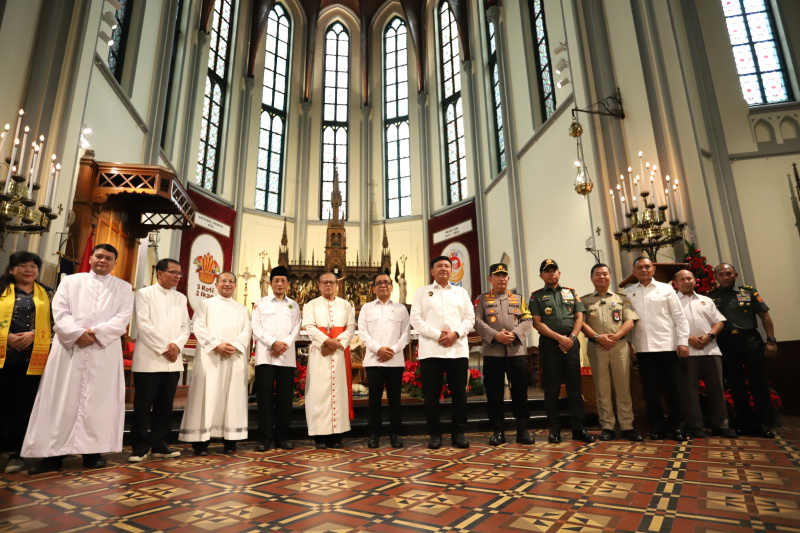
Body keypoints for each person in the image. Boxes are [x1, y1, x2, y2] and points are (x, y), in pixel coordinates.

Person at [23, 244, 134, 475]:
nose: (103, 261)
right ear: (91, 258)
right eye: (99, 256)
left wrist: (93, 333)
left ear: (115, 262)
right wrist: (77, 334)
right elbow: (60, 312)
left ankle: (93, 453)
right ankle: (52, 454)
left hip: (103, 351)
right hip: (69, 349)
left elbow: (122, 318)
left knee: (98, 402)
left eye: (108, 258)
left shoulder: (123, 287)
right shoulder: (70, 281)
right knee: (60, 400)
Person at [179, 272, 251, 455]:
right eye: (223, 281)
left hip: (234, 357)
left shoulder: (242, 309)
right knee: (206, 395)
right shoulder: (205, 305)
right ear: (216, 284)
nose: (227, 284)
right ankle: (201, 441)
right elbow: (199, 326)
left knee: (232, 396)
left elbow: (247, 331)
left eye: (231, 281)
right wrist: (216, 345)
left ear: (235, 285)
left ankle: (230, 439)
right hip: (210, 358)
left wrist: (234, 346)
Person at [409, 255, 475, 449]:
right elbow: (416, 319)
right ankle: (435, 434)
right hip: (431, 350)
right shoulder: (422, 292)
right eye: (439, 266)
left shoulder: (461, 293)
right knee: (431, 395)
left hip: (457, 350)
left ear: (452, 270)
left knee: (459, 395)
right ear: (432, 271)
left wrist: (456, 334)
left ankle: (459, 433)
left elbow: (469, 318)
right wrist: (438, 335)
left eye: (447, 266)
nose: (444, 269)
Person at [128, 259, 190, 463]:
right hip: (150, 358)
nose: (177, 276)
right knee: (143, 405)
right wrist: (166, 348)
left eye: (179, 273)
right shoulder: (144, 294)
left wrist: (177, 346)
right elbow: (144, 325)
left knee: (165, 405)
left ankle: (160, 443)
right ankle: (139, 445)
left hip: (172, 360)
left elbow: (185, 327)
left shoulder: (180, 298)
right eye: (173, 272)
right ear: (160, 273)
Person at [624, 256, 690, 441]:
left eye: (647, 267)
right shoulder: (629, 293)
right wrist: (629, 343)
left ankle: (679, 427)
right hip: (643, 349)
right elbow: (628, 321)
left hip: (667, 346)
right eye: (640, 268)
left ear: (653, 269)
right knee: (650, 391)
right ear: (634, 271)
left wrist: (683, 341)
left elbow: (679, 318)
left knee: (674, 389)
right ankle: (658, 427)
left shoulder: (667, 289)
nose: (644, 270)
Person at [530, 259, 594, 444]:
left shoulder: (571, 293)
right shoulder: (536, 296)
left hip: (571, 342)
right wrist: (560, 339)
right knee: (552, 387)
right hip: (550, 344)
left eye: (554, 270)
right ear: (541, 276)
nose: (551, 274)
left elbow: (579, 317)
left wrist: (572, 338)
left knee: (575, 386)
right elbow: (537, 323)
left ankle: (579, 429)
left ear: (559, 273)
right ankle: (554, 429)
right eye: (547, 271)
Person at [0, 252, 54, 474]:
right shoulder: (1, 290)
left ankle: (18, 454)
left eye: (33, 266)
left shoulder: (48, 294)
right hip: (4, 355)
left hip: (34, 358)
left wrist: (34, 334)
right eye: (23, 266)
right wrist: (7, 337)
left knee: (26, 405)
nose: (29, 270)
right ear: (12, 269)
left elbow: (57, 321)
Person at [708, 263, 777, 438]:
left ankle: (764, 423)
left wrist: (771, 340)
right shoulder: (711, 296)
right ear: (716, 277)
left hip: (749, 339)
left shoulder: (748, 292)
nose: (726, 277)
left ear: (735, 275)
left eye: (729, 273)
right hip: (726, 341)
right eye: (721, 274)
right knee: (735, 383)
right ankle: (742, 423)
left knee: (759, 382)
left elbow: (764, 316)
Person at [473, 263, 535, 446]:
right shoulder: (482, 299)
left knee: (520, 391)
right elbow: (476, 321)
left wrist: (514, 334)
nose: (501, 278)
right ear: (490, 279)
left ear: (508, 278)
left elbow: (528, 318)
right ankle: (497, 431)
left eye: (504, 275)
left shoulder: (518, 298)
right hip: (493, 353)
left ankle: (522, 430)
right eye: (497, 275)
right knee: (494, 393)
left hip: (516, 352)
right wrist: (495, 335)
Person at [580, 264, 642, 442]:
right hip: (596, 346)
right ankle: (607, 426)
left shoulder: (621, 299)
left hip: (619, 347)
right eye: (597, 274)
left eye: (605, 274)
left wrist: (614, 337)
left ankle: (627, 426)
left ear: (610, 277)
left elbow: (630, 321)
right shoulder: (585, 301)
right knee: (602, 389)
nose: (602, 277)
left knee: (623, 388)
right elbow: (581, 323)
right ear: (592, 278)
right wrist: (599, 337)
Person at [674, 270, 737, 439]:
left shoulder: (706, 300)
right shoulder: (672, 302)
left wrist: (710, 336)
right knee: (690, 390)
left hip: (710, 350)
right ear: (676, 283)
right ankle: (695, 426)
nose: (686, 281)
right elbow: (668, 326)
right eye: (682, 279)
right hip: (687, 351)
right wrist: (687, 339)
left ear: (694, 280)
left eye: (689, 278)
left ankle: (721, 425)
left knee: (717, 388)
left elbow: (719, 321)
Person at [302, 272, 356, 449]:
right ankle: (319, 436)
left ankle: (337, 435)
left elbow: (351, 327)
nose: (328, 285)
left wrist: (335, 343)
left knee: (338, 392)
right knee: (318, 393)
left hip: (339, 354)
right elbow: (308, 326)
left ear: (337, 285)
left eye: (331, 282)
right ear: (318, 285)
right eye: (324, 282)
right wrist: (326, 342)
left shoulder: (346, 305)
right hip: (320, 354)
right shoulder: (311, 305)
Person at [251, 266, 301, 451]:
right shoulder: (260, 303)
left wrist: (284, 344)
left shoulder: (294, 305)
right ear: (270, 283)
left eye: (283, 281)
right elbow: (255, 327)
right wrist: (273, 343)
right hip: (265, 357)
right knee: (264, 399)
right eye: (276, 281)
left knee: (285, 399)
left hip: (286, 358)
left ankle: (282, 436)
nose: (279, 284)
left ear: (288, 284)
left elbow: (296, 328)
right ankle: (264, 438)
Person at [358, 273, 410, 449]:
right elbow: (363, 333)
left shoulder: (401, 309)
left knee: (395, 400)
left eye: (386, 283)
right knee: (374, 401)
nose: (383, 286)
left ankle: (395, 434)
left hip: (395, 361)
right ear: (373, 288)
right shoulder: (366, 308)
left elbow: (406, 334)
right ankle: (374, 435)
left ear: (392, 287)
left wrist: (392, 350)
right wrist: (377, 349)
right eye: (379, 283)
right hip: (374, 361)